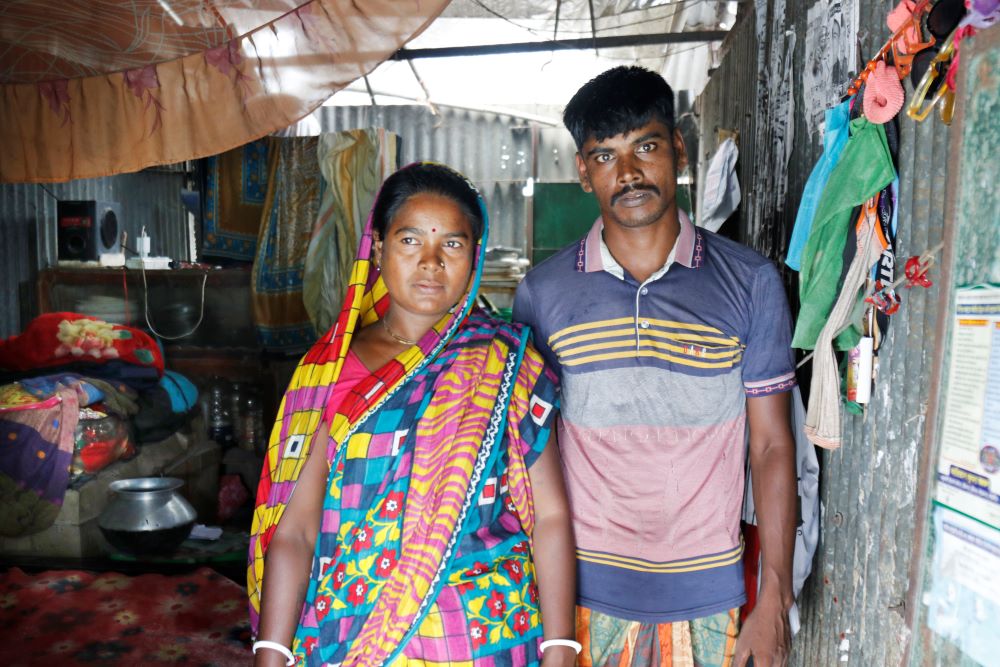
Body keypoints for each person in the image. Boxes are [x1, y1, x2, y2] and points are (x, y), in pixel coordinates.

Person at [513, 66, 798, 667]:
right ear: (583, 171)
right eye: (605, 156)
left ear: (678, 151)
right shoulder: (542, 294)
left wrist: (774, 591)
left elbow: (773, 447)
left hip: (711, 597)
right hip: (579, 595)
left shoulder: (750, 283)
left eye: (645, 146)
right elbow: (531, 457)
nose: (629, 174)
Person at [248, 163, 577, 667]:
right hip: (353, 643)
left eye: (452, 244)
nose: (430, 262)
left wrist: (559, 648)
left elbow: (550, 515)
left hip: (484, 642)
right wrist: (270, 653)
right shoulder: (327, 374)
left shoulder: (505, 361)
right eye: (409, 240)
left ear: (475, 255)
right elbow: (295, 532)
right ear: (378, 249)